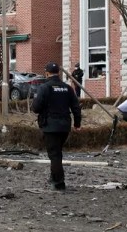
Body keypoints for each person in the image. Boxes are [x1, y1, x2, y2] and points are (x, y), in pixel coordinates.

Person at [31, 62, 82, 190]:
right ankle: (54, 177)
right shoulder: (67, 88)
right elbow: (76, 107)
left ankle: (59, 183)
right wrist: (77, 124)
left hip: (50, 125)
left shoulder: (44, 88)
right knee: (57, 152)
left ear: (46, 73)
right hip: (65, 125)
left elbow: (36, 108)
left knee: (54, 154)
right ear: (58, 73)